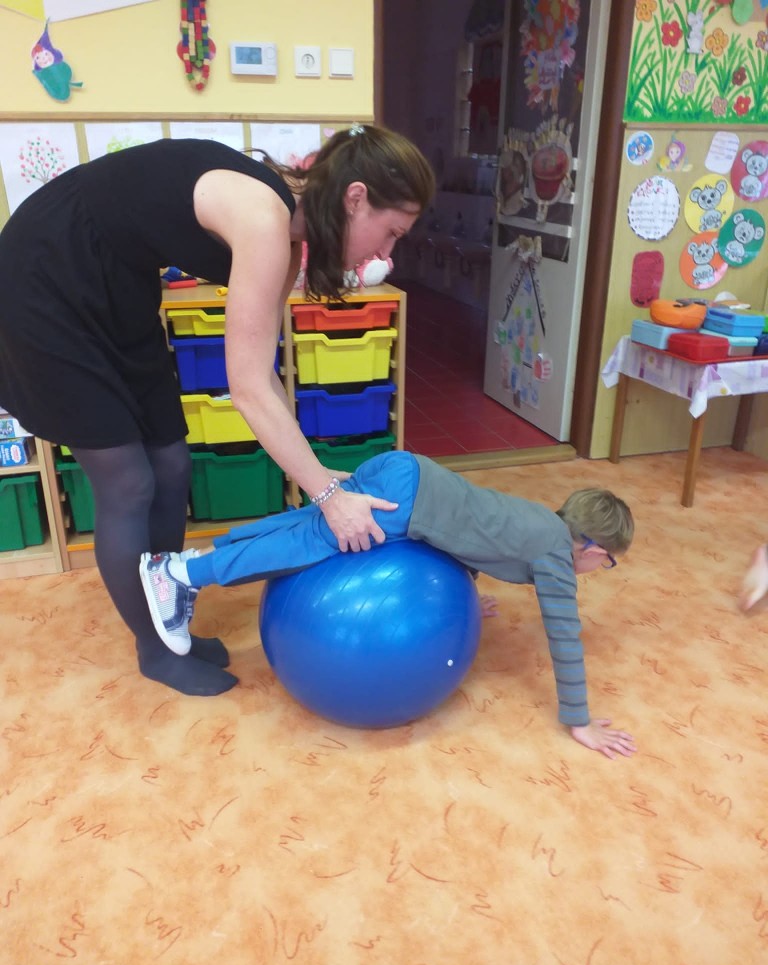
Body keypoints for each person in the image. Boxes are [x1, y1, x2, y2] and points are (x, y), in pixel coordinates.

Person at [0, 126, 435, 698]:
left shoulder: (287, 242)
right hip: (43, 279)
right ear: (356, 198)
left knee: (171, 465)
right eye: (392, 232)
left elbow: (264, 373)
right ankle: (155, 650)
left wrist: (316, 472)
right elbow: (246, 388)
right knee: (128, 483)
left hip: (118, 287)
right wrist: (327, 497)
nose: (386, 255)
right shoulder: (263, 219)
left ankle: (166, 611)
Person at [140, 451, 637, 760]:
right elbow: (564, 635)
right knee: (309, 544)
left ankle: (200, 557)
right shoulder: (555, 556)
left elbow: (475, 536)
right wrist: (579, 720)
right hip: (410, 501)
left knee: (307, 526)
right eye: (607, 564)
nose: (600, 570)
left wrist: (461, 598)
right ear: (595, 552)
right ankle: (179, 576)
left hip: (409, 470)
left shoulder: (540, 521)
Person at [739, 544, 768, 612]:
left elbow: (759, 551)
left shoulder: (763, 549)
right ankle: (748, 603)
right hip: (763, 579)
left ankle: (743, 598)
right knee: (757, 592)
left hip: (754, 572)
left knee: (747, 587)